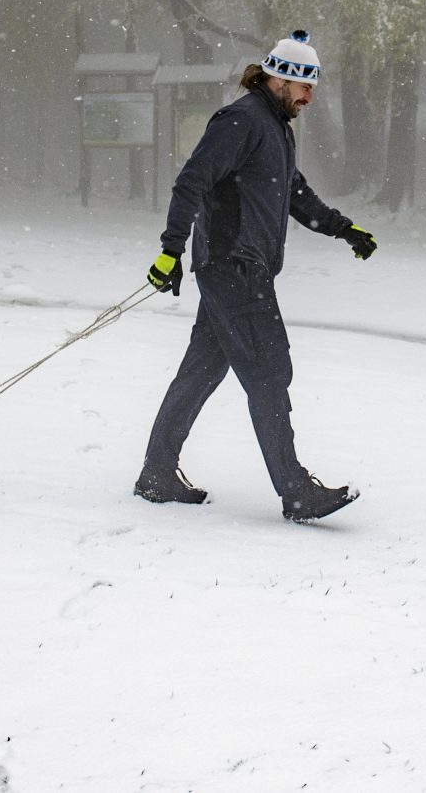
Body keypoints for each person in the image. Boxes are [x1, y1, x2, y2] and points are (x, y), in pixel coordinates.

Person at [135, 30, 377, 522]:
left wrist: (342, 228)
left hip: (238, 268)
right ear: (279, 79)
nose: (310, 97)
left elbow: (294, 192)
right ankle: (295, 490)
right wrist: (170, 250)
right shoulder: (241, 120)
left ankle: (157, 473)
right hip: (235, 269)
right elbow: (192, 180)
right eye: (305, 86)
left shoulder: (274, 128)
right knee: (269, 372)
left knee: (202, 369)